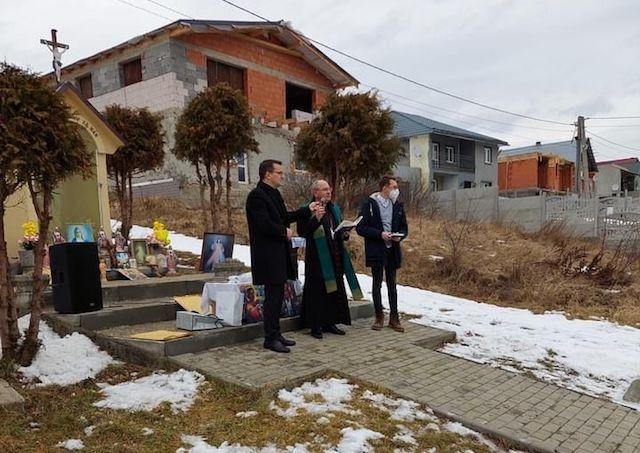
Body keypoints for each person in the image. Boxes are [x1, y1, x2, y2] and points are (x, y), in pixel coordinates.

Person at [245, 159, 309, 353]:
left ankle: (276, 333)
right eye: (279, 173)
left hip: (279, 253)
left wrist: (307, 210)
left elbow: (285, 217)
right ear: (267, 174)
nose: (282, 176)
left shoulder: (274, 194)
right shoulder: (257, 196)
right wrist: (284, 231)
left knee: (278, 295)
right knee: (272, 298)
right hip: (267, 255)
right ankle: (269, 338)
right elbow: (263, 224)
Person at [297, 180, 362, 339]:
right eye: (324, 189)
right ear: (315, 192)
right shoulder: (307, 209)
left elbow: (337, 229)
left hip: (335, 254)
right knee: (317, 291)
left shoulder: (334, 208)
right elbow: (303, 231)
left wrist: (345, 232)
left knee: (335, 289)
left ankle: (331, 322)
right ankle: (315, 325)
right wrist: (316, 219)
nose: (328, 192)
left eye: (329, 189)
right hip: (318, 257)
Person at [356, 175, 408, 332]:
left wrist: (400, 236)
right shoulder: (370, 204)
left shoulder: (398, 205)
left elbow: (404, 227)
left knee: (392, 285)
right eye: (393, 187)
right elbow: (361, 227)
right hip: (377, 249)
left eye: (396, 187)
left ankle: (394, 318)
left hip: (392, 249)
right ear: (384, 187)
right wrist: (380, 234)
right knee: (377, 283)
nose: (396, 190)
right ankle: (379, 316)